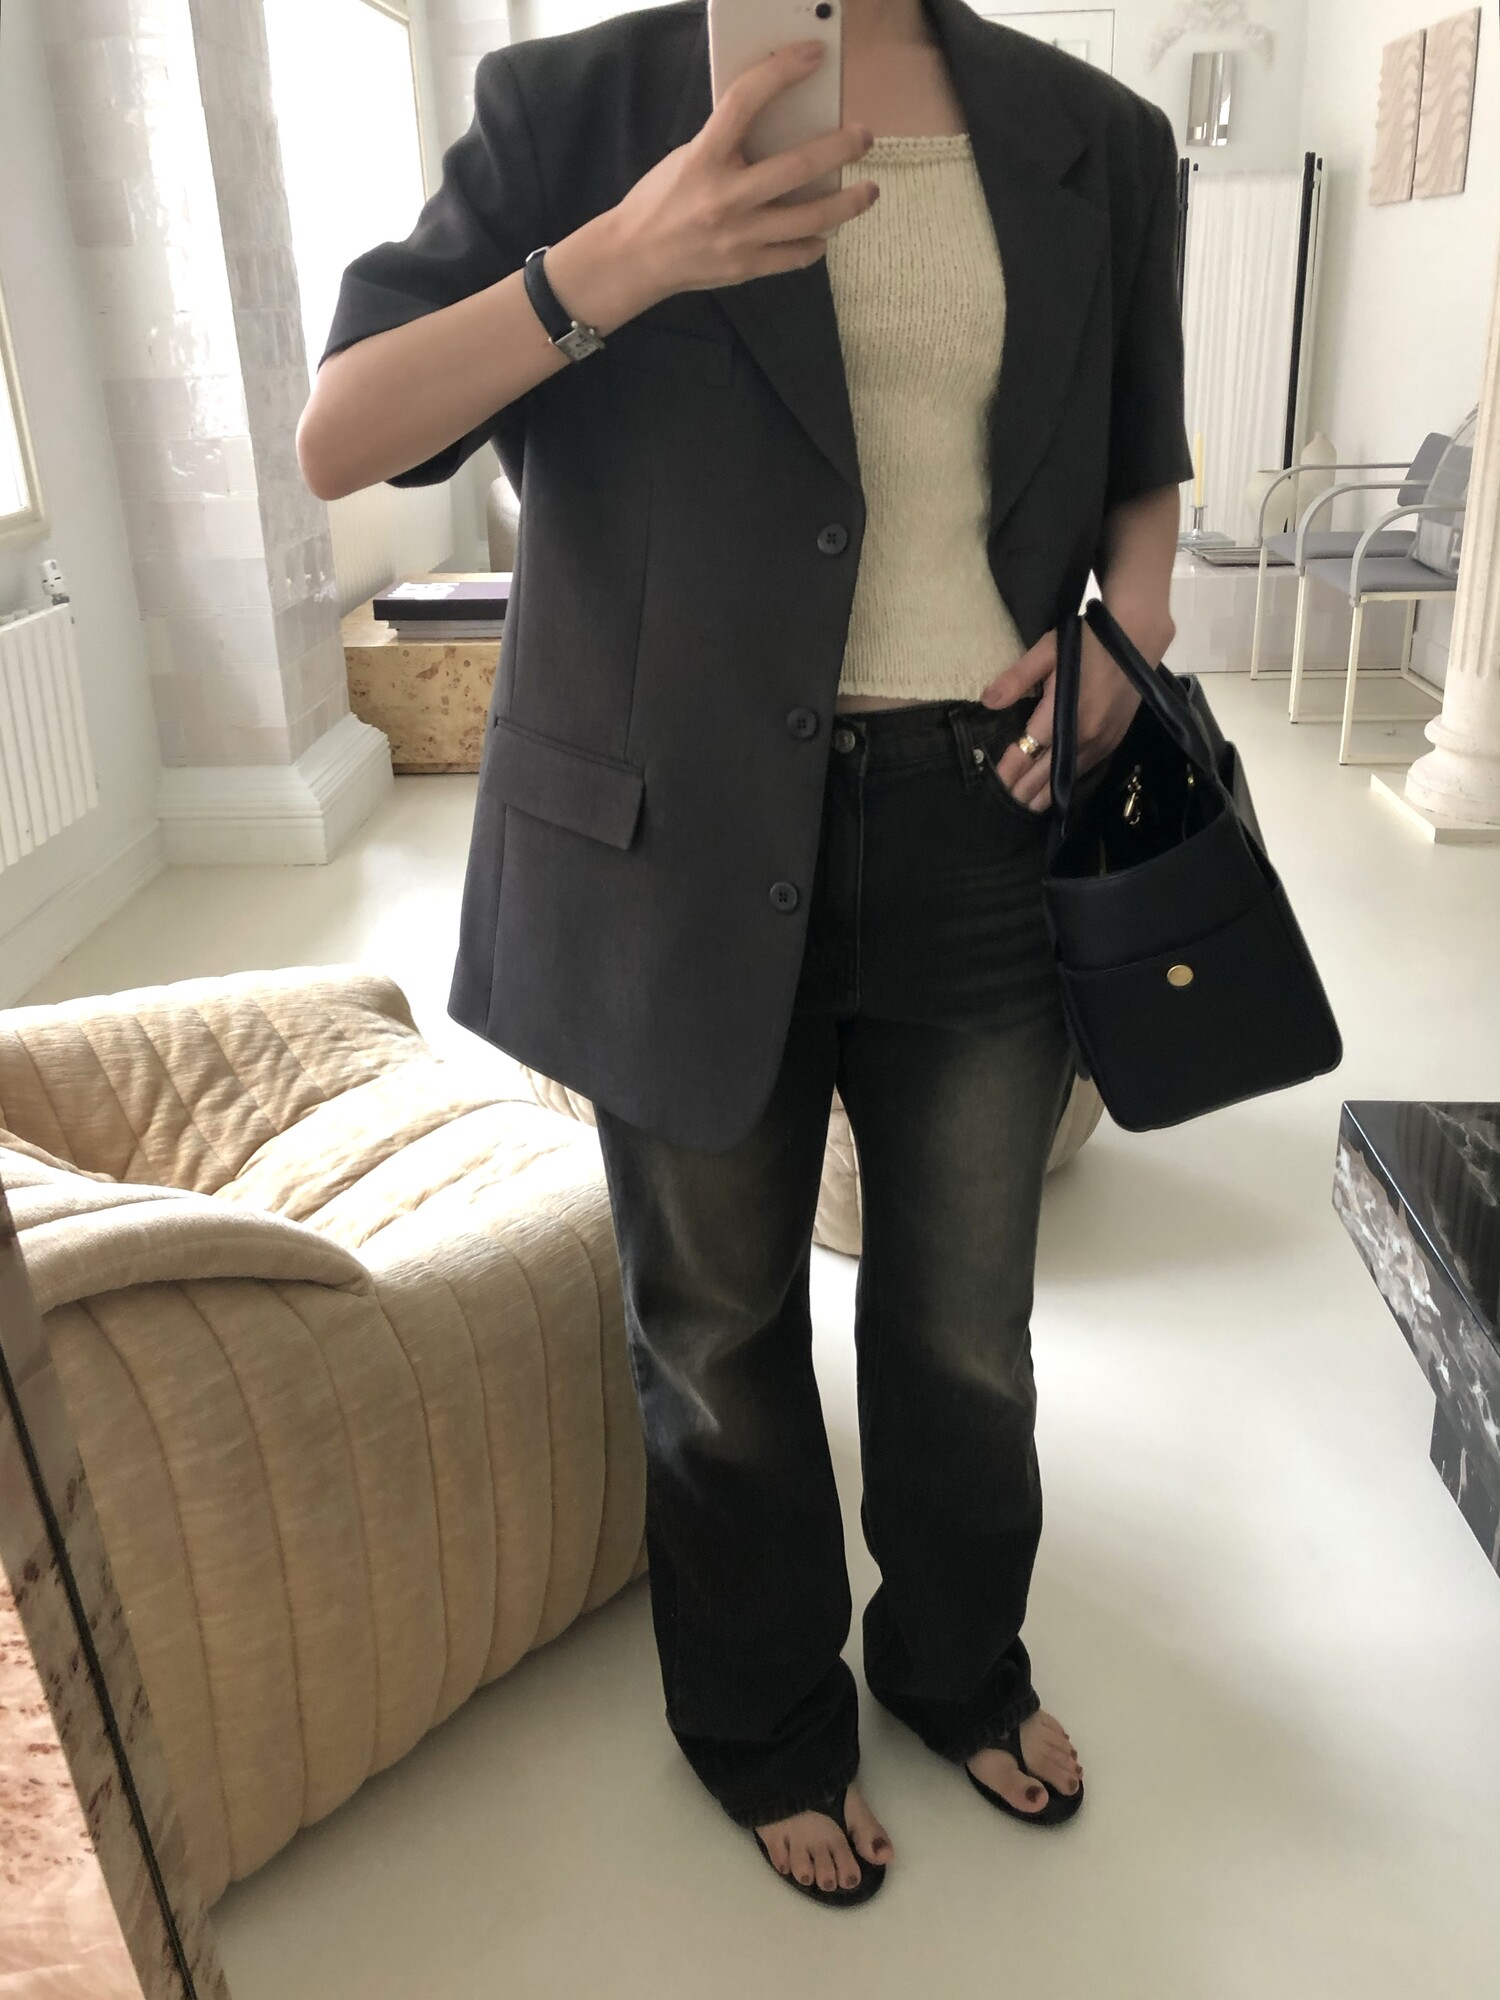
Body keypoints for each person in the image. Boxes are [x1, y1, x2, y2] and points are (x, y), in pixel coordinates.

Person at [301, 0, 1190, 1910]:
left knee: (968, 1332)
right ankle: (762, 1716)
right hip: (675, 836)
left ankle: (957, 1661)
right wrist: (621, 260)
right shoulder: (573, 103)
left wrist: (1132, 632)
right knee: (711, 1333)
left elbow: (1143, 466)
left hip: (985, 817)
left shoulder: (1095, 134)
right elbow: (343, 434)